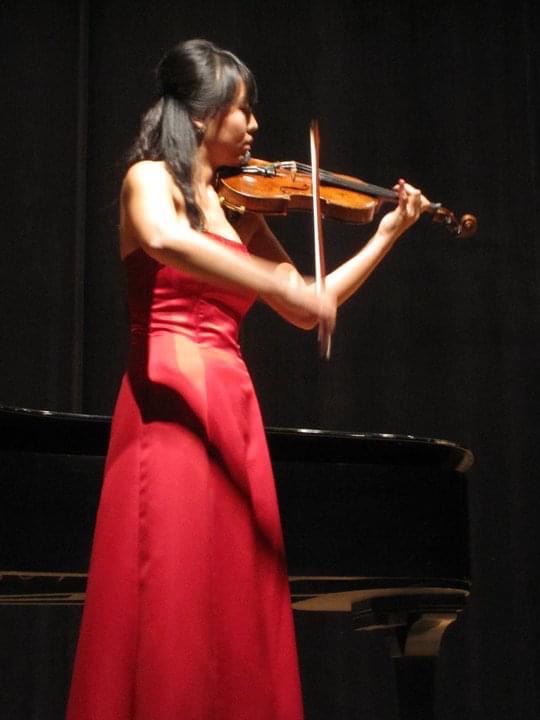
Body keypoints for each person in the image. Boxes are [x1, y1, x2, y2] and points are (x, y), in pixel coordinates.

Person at [66, 38, 428, 720]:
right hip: (169, 402)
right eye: (243, 108)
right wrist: (268, 277)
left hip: (233, 406)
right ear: (201, 115)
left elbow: (305, 304)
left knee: (234, 595)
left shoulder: (241, 208)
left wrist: (385, 236)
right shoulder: (149, 179)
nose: (255, 124)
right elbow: (165, 240)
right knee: (169, 582)